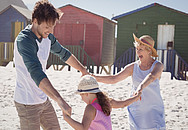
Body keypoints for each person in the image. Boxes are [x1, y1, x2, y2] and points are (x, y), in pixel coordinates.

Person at [13, 0, 88, 129]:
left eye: (52, 26)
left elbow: (63, 53)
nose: (50, 30)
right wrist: (59, 100)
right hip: (27, 102)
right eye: (47, 26)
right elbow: (36, 73)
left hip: (43, 99)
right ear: (35, 21)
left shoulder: (47, 37)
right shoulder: (24, 41)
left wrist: (83, 70)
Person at [93, 34, 166, 129]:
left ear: (149, 51)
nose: (138, 52)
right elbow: (114, 78)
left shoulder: (158, 65)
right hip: (137, 109)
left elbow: (151, 76)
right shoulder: (133, 67)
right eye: (137, 49)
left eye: (141, 49)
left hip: (154, 109)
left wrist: (141, 87)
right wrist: (95, 77)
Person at [63, 75, 141, 130]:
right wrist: (135, 97)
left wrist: (67, 118)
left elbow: (83, 128)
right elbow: (124, 103)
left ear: (87, 94)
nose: (82, 99)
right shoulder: (106, 101)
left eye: (81, 96)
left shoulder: (90, 108)